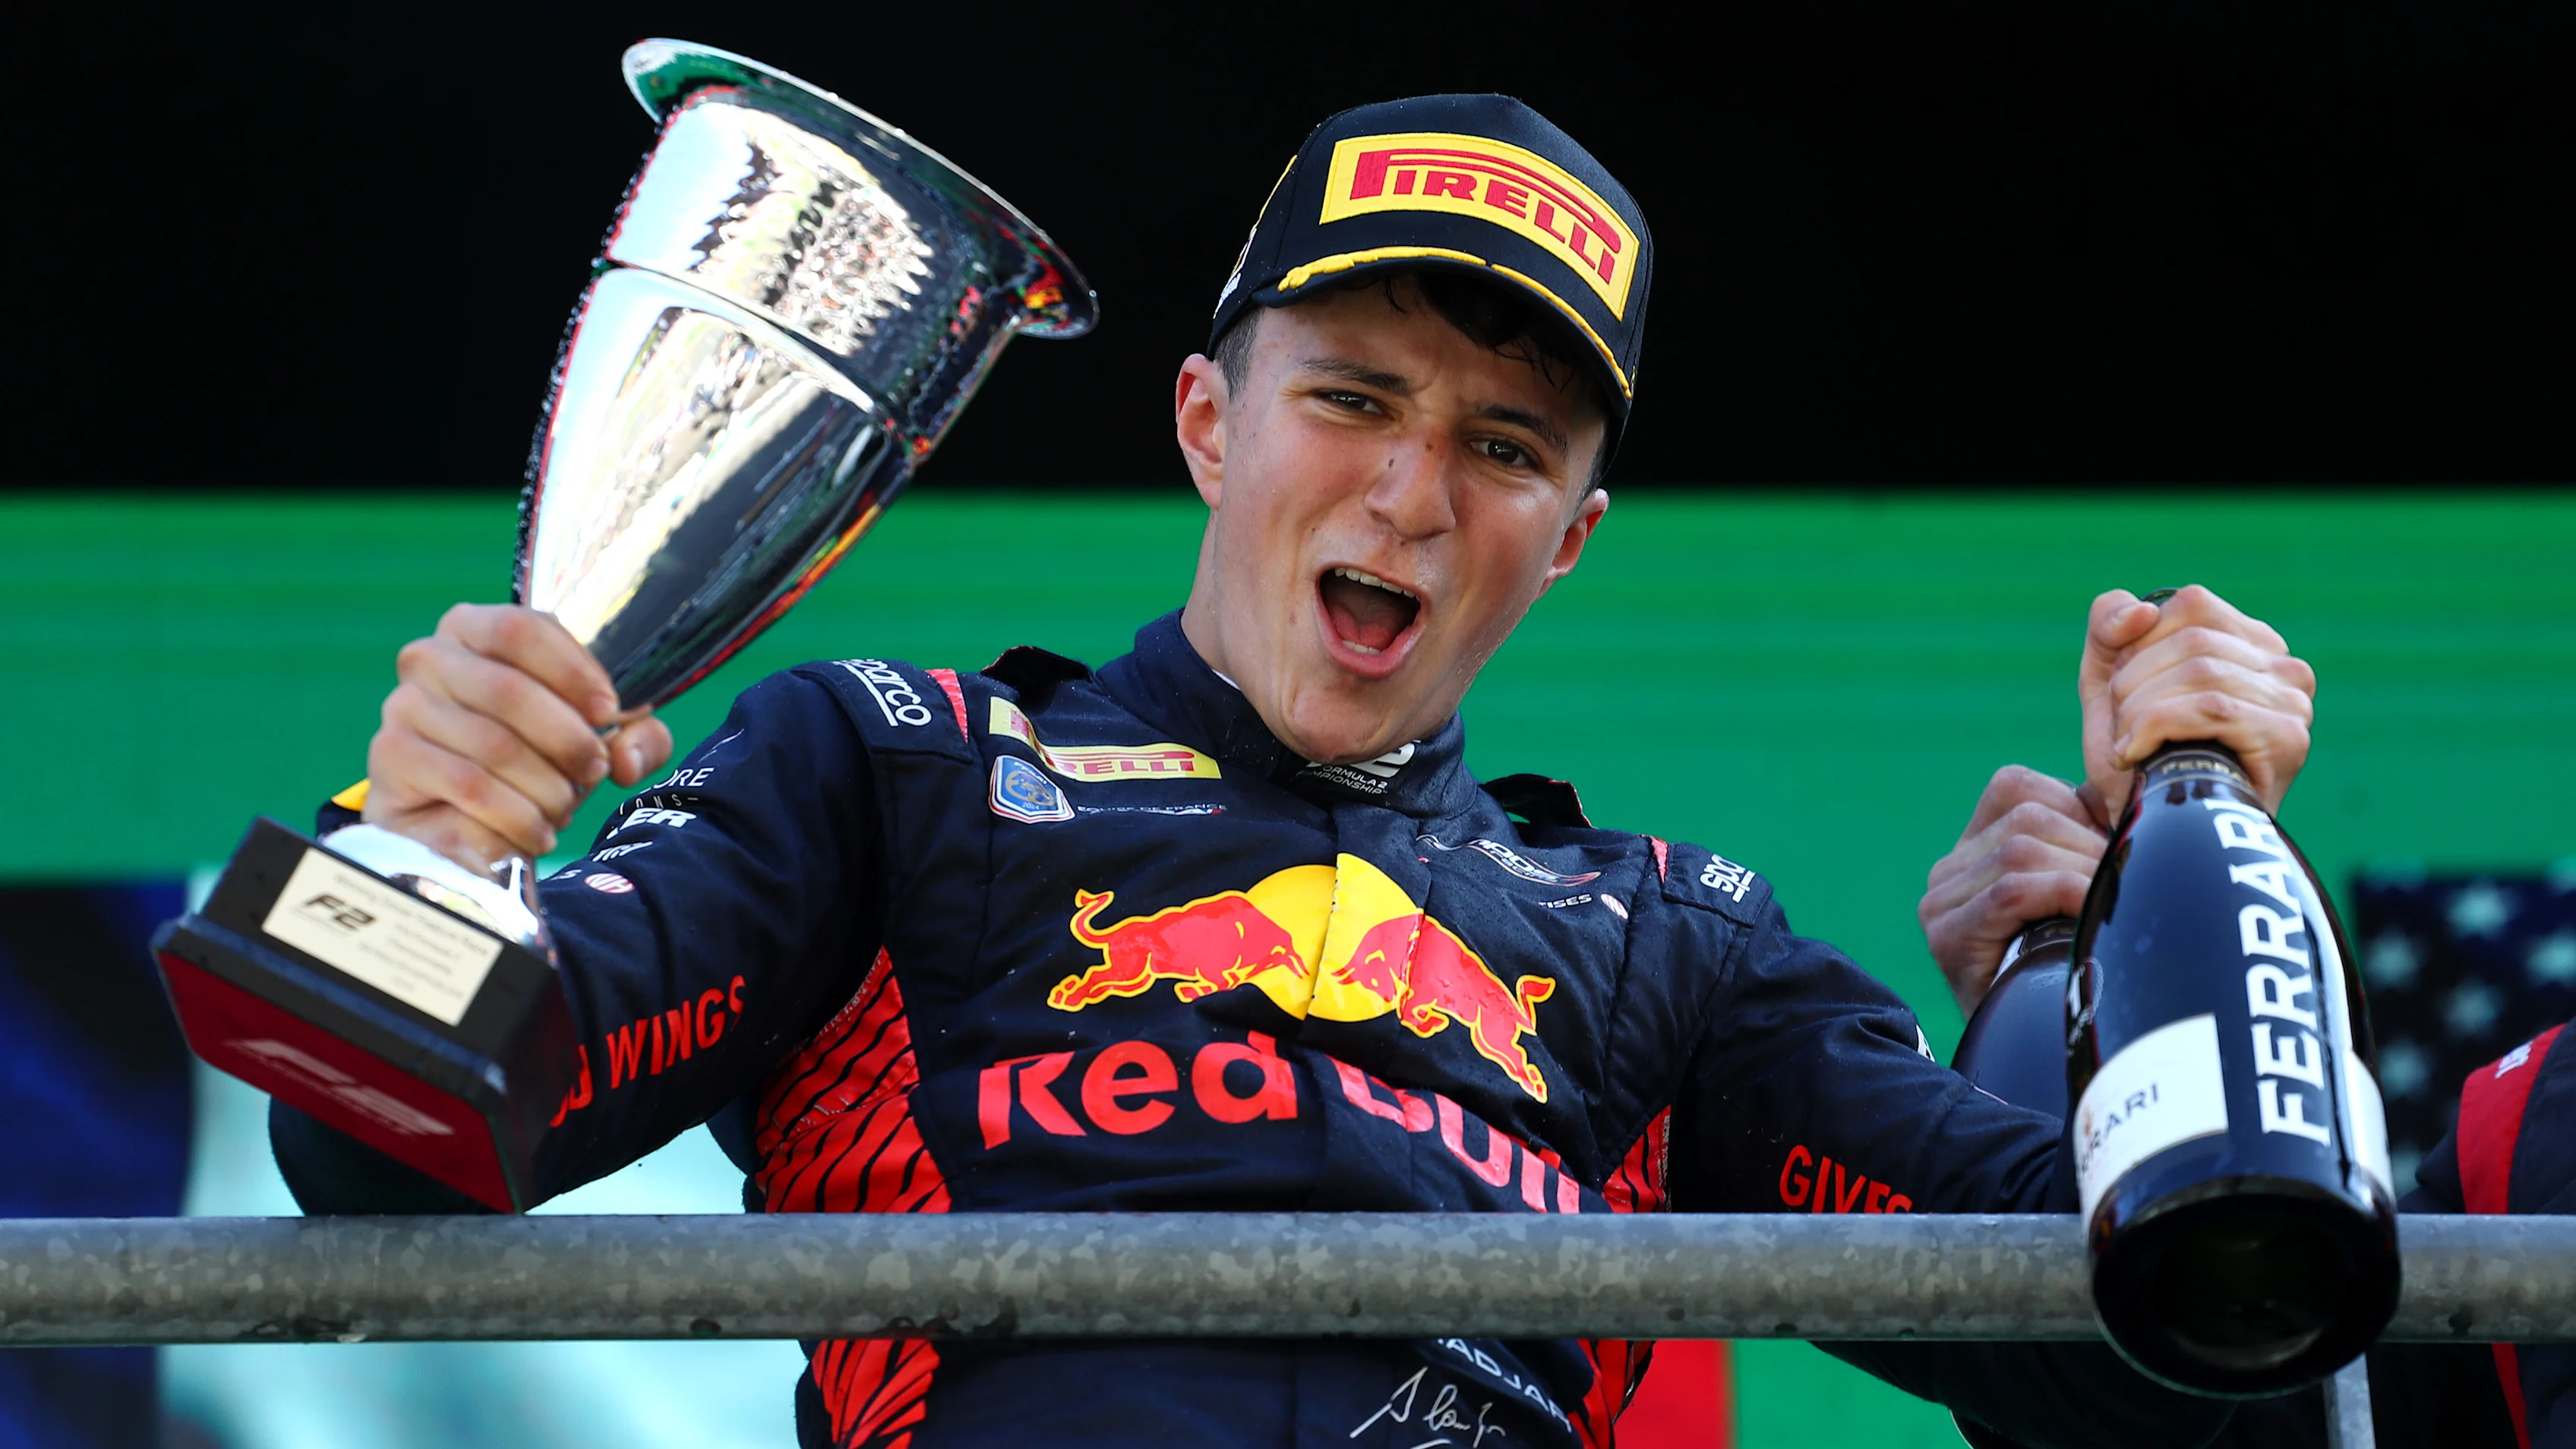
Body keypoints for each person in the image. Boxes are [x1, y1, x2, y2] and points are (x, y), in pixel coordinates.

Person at [274, 93, 2322, 1448]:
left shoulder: (1672, 939)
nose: (1414, 493)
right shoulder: (895, 764)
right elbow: (380, 1133)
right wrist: (419, 848)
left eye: (1505, 446)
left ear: (1571, 538)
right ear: (1205, 422)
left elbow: (2174, 1355)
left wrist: (2143, 894)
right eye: (1351, 398)